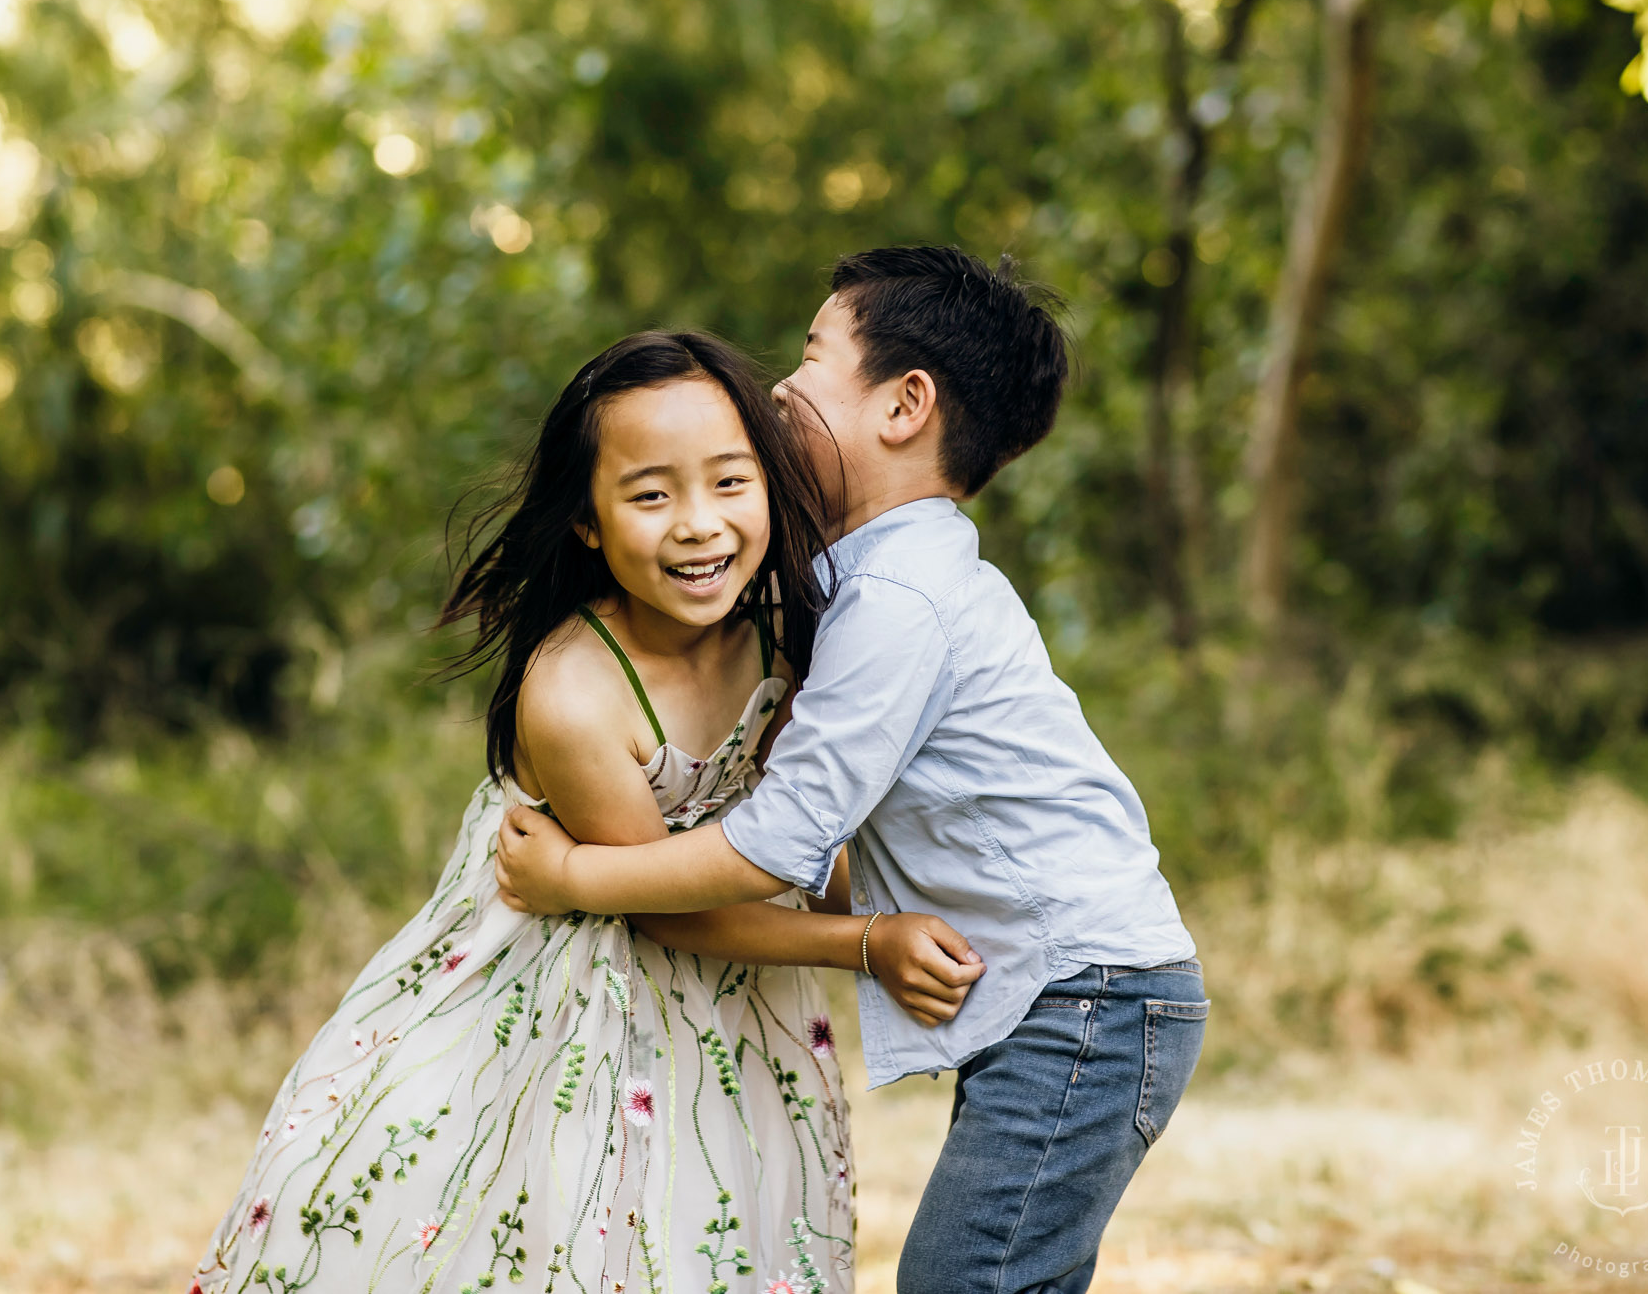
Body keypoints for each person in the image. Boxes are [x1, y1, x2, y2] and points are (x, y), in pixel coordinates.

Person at [189, 330, 980, 1294]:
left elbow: (797, 833)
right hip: (572, 1010)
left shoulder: (781, 633)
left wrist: (919, 909)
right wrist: (867, 943)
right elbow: (662, 906)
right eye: (651, 495)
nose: (699, 525)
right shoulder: (573, 694)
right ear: (590, 524)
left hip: (733, 1006)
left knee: (720, 1242)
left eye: (730, 483)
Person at [495, 249, 1206, 1294]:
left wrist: (574, 880)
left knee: (966, 1279)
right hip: (1076, 989)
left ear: (903, 405)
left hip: (1090, 993)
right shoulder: (853, 578)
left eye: (811, 356)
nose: (779, 388)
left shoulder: (898, 601)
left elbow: (780, 839)